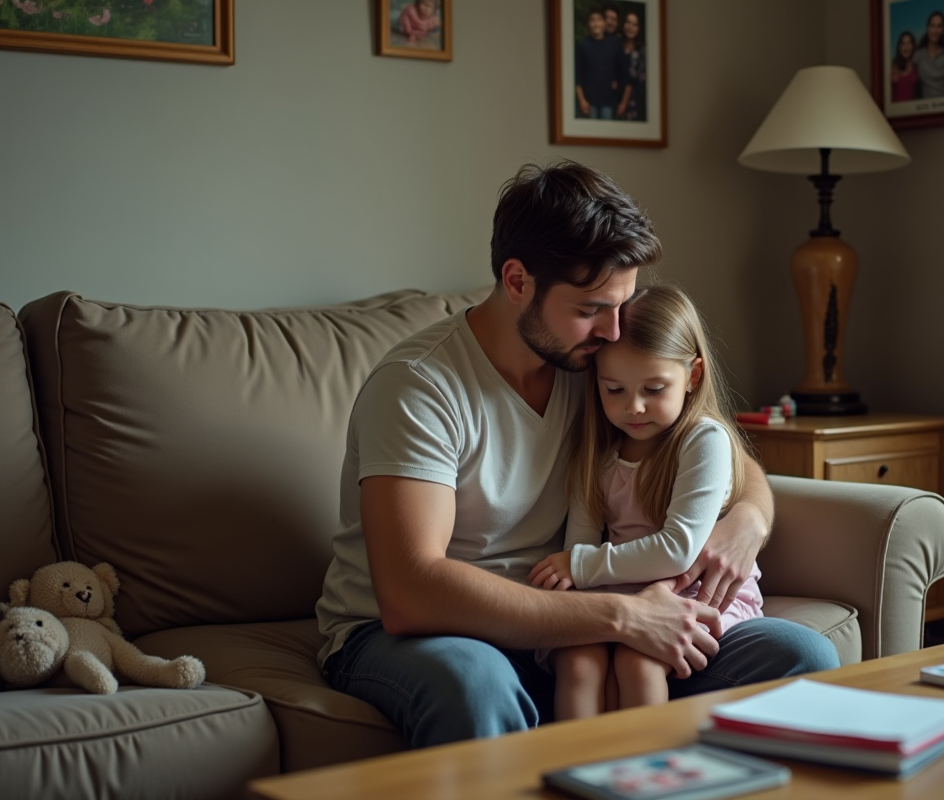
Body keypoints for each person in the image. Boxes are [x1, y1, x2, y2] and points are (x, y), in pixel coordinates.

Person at [315, 161, 839, 750]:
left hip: (570, 620)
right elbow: (414, 593)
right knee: (477, 684)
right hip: (420, 634)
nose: (615, 332)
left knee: (800, 653)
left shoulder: (596, 368)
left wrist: (749, 520)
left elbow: (727, 457)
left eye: (624, 304)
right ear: (517, 282)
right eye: (592, 308)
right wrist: (624, 617)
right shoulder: (419, 387)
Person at [528, 285, 767, 719]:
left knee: (638, 661)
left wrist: (580, 566)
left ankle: (648, 774)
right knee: (578, 660)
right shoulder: (598, 452)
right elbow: (580, 540)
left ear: (692, 376)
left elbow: (679, 549)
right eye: (614, 389)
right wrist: (572, 583)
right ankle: (575, 769)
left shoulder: (703, 440)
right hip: (624, 589)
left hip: (695, 591)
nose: (633, 407)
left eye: (654, 388)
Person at [575, 8, 623, 119]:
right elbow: (577, 75)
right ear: (588, 23)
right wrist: (581, 100)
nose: (596, 23)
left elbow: (621, 71)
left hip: (608, 101)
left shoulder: (614, 44)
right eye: (592, 20)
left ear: (604, 23)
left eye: (599, 20)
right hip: (589, 102)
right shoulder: (582, 45)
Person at [912, 10, 944, 98]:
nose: (935, 30)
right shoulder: (918, 55)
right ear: (928, 28)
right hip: (925, 107)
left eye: (939, 26)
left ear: (943, 30)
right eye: (932, 26)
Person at [616, 10, 647, 121]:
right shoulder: (616, 45)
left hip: (634, 102)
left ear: (638, 29)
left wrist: (624, 103)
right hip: (614, 97)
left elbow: (637, 80)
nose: (630, 27)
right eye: (628, 22)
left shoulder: (641, 52)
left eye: (634, 25)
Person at [891, 30, 919, 102]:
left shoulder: (917, 66)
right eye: (903, 44)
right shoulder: (893, 66)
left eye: (909, 43)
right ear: (899, 47)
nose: (906, 47)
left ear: (913, 46)